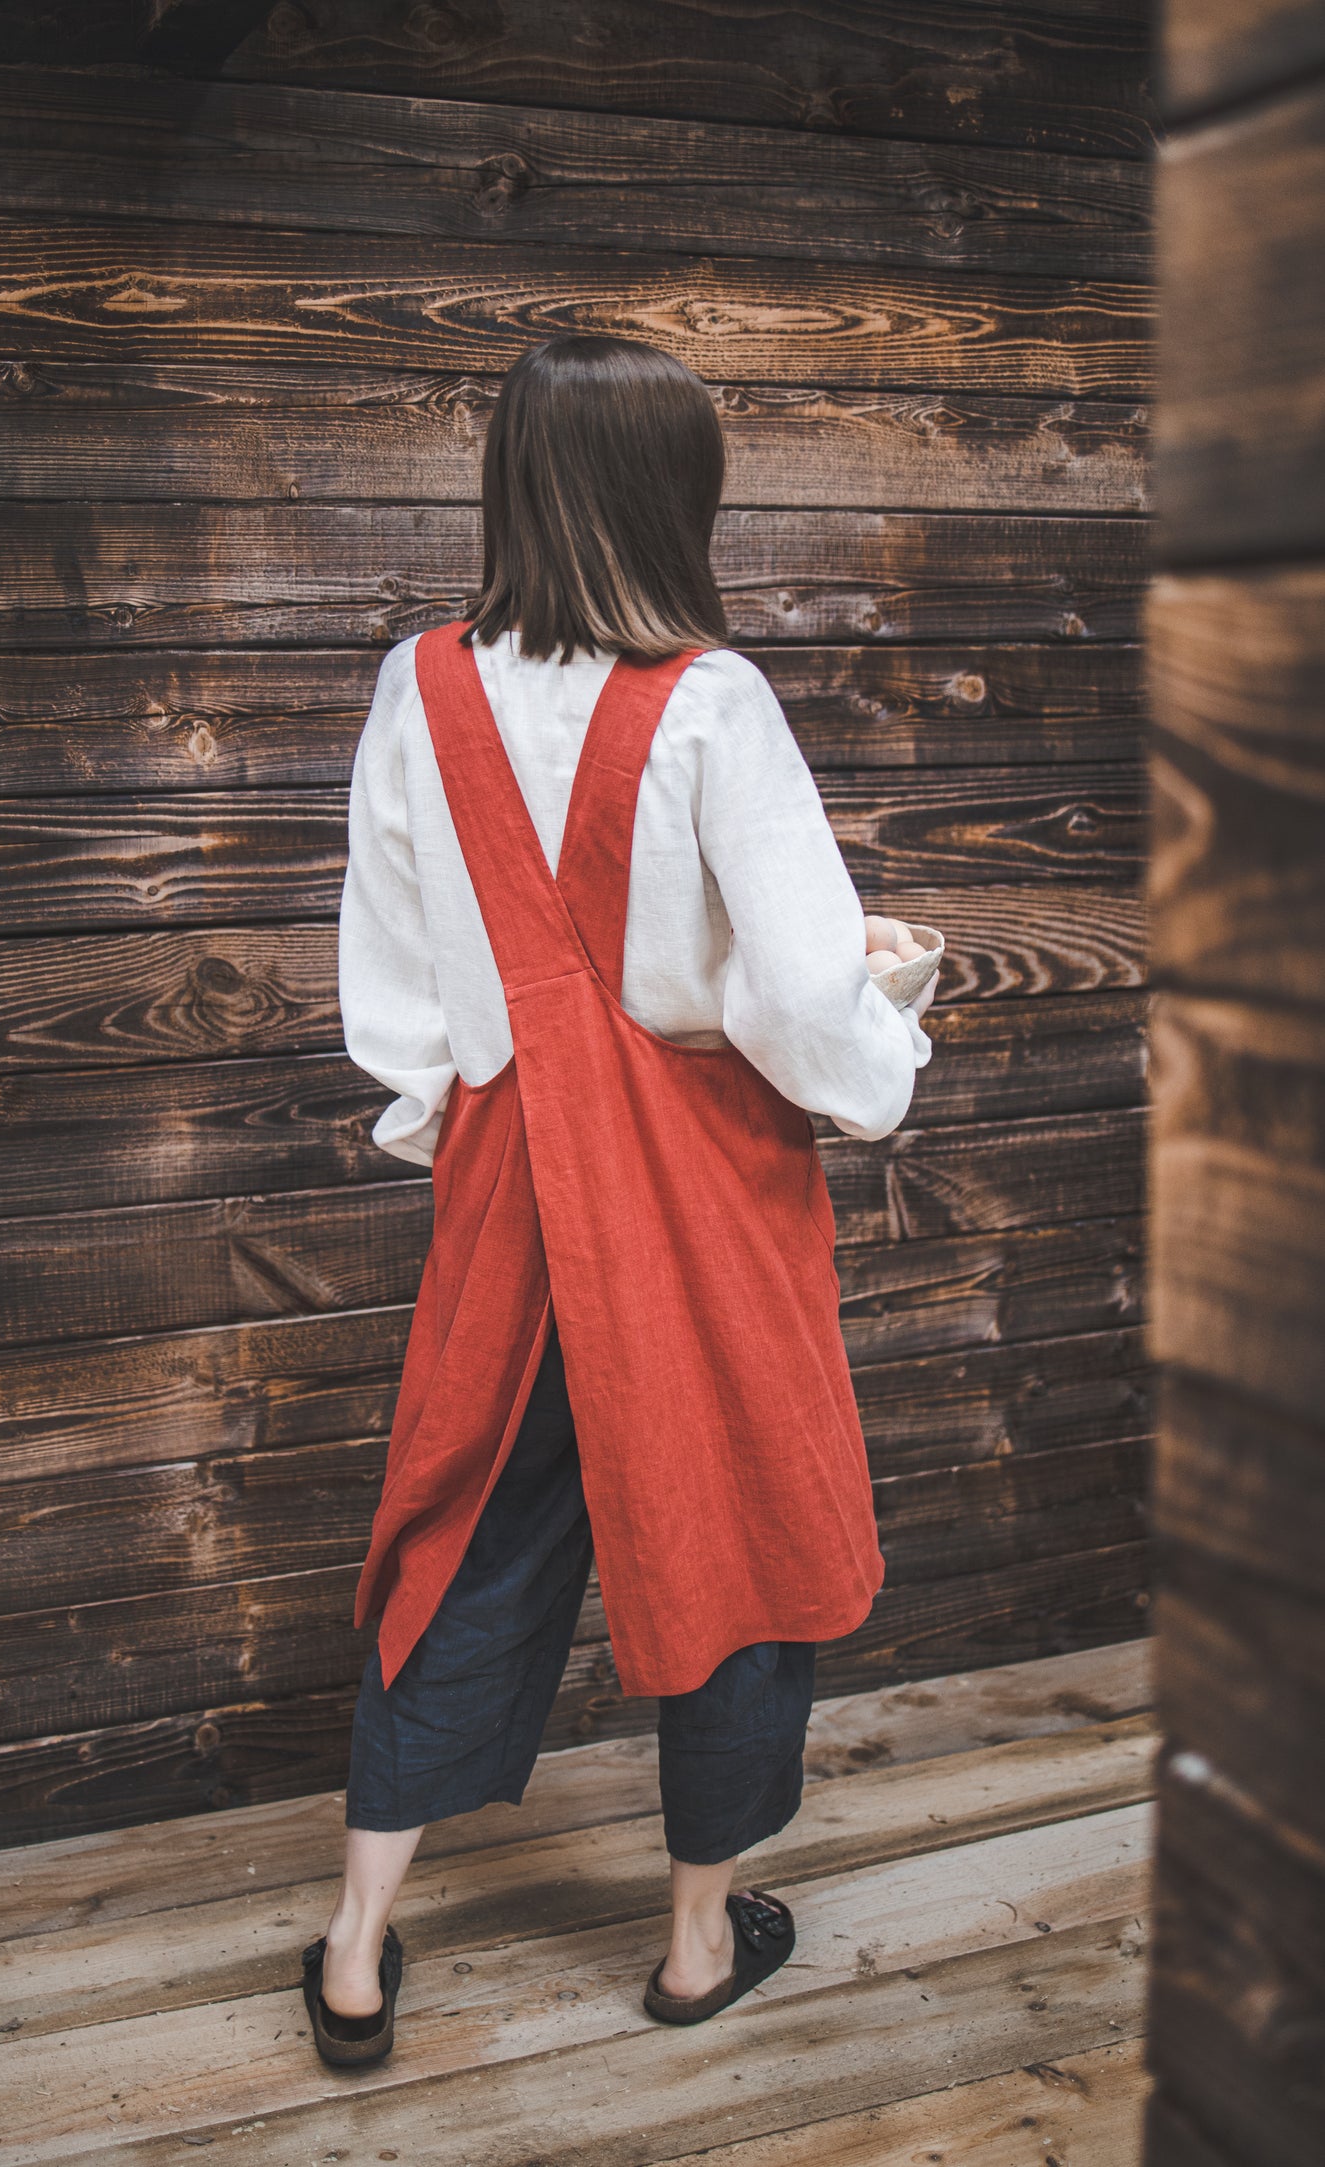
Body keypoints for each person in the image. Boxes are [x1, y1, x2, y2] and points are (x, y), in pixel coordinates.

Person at [302, 333, 938, 2069]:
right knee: (725, 1530)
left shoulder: (414, 682)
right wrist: (888, 1009)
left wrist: (477, 1121)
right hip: (701, 1188)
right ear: (677, 495)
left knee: (468, 1535)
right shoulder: (711, 699)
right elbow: (799, 1003)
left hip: (515, 1177)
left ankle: (357, 1945)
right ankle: (685, 1945)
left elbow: (401, 983)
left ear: (508, 475)